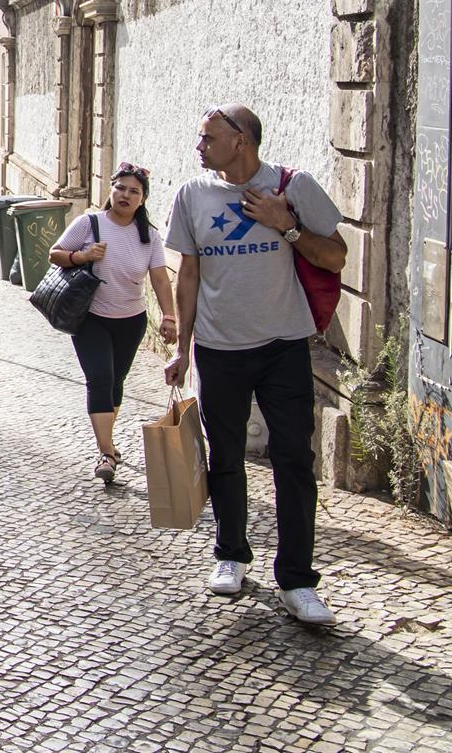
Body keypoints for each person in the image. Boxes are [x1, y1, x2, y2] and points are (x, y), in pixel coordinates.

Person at [164, 104, 346, 626]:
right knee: (225, 457)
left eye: (208, 138)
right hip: (220, 351)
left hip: (284, 346)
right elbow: (189, 276)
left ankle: (297, 580)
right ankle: (230, 553)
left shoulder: (294, 185)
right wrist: (182, 347)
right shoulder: (192, 195)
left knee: (294, 461)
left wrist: (285, 225)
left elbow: (335, 257)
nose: (198, 147)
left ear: (241, 139)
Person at [49, 163, 178, 484]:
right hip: (90, 317)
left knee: (116, 380)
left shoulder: (149, 237)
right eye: (120, 187)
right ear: (111, 190)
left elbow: (161, 280)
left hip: (131, 321)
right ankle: (106, 452)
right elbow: (55, 253)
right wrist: (82, 256)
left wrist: (169, 316)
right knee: (100, 377)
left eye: (134, 191)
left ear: (143, 199)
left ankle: (108, 443)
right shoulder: (89, 224)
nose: (125, 195)